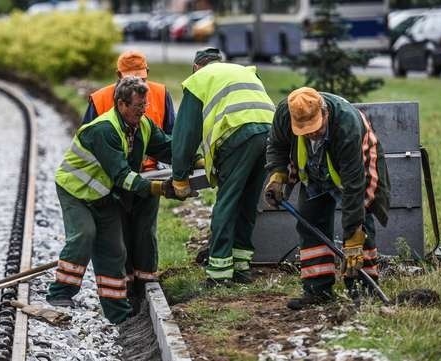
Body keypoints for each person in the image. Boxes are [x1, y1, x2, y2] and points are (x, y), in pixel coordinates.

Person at [47, 76, 174, 324]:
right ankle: (60, 293)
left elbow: (167, 147)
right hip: (76, 191)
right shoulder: (104, 131)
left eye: (144, 105)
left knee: (115, 250)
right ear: (121, 104)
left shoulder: (143, 125)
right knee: (84, 234)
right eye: (138, 106)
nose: (143, 110)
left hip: (103, 196)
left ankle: (119, 314)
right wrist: (161, 189)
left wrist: (196, 159)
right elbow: (122, 177)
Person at [264, 86, 390, 310]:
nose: (311, 133)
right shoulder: (285, 113)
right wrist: (278, 175)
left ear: (325, 113)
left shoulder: (346, 123)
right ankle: (317, 289)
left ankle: (363, 290)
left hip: (351, 170)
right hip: (313, 171)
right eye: (303, 130)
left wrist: (353, 234)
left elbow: (354, 185)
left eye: (314, 127)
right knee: (310, 225)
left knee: (362, 226)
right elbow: (276, 146)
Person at [170, 47, 276, 287]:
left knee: (227, 201)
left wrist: (179, 176)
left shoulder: (199, 79)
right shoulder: (244, 70)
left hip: (238, 134)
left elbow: (186, 133)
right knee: (248, 201)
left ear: (196, 67)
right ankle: (241, 268)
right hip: (269, 133)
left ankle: (219, 272)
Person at [83, 50, 176, 300]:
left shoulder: (160, 93)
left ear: (148, 74)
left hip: (147, 176)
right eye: (129, 77)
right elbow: (88, 140)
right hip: (115, 178)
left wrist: (187, 162)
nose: (136, 82)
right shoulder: (101, 98)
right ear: (117, 76)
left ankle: (144, 284)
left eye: (141, 77)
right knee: (119, 232)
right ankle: (124, 288)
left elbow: (169, 139)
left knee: (144, 230)